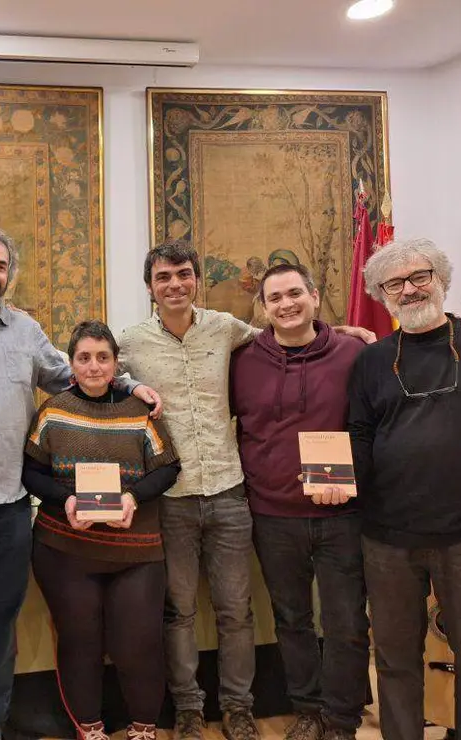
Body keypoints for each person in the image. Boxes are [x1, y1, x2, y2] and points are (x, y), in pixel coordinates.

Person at [118, 239, 375, 740]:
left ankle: (239, 707)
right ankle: (190, 709)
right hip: (171, 498)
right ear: (149, 287)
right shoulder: (130, 342)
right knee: (181, 611)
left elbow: (287, 332)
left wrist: (342, 330)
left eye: (184, 274)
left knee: (238, 611)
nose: (175, 284)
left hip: (231, 493)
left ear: (197, 279)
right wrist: (129, 386)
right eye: (163, 277)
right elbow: (92, 369)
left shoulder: (227, 329)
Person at [0, 228, 162, 740]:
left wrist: (130, 383)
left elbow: (77, 374)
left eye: (0, 266)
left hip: (9, 507)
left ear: (8, 276)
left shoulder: (26, 331)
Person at [348, 238, 461, 740]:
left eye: (419, 276)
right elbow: (358, 435)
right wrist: (328, 482)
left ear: (441, 279)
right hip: (387, 539)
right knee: (396, 664)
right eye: (395, 283)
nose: (410, 288)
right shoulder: (371, 361)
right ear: (381, 295)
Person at [22, 320, 180, 740]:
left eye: (103, 357)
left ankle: (143, 727)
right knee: (80, 643)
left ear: (116, 364)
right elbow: (32, 472)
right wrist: (66, 500)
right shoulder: (53, 410)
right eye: (84, 358)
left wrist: (133, 497)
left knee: (138, 645)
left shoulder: (140, 411)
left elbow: (168, 469)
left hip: (136, 551)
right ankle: (89, 728)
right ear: (71, 364)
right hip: (65, 551)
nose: (94, 367)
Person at [230, 263, 370, 740]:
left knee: (347, 621)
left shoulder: (355, 353)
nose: (286, 304)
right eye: (275, 298)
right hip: (273, 514)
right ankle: (308, 710)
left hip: (342, 514)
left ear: (314, 295)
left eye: (295, 293)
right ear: (264, 308)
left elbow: (372, 424)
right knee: (292, 621)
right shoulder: (242, 360)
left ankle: (343, 719)